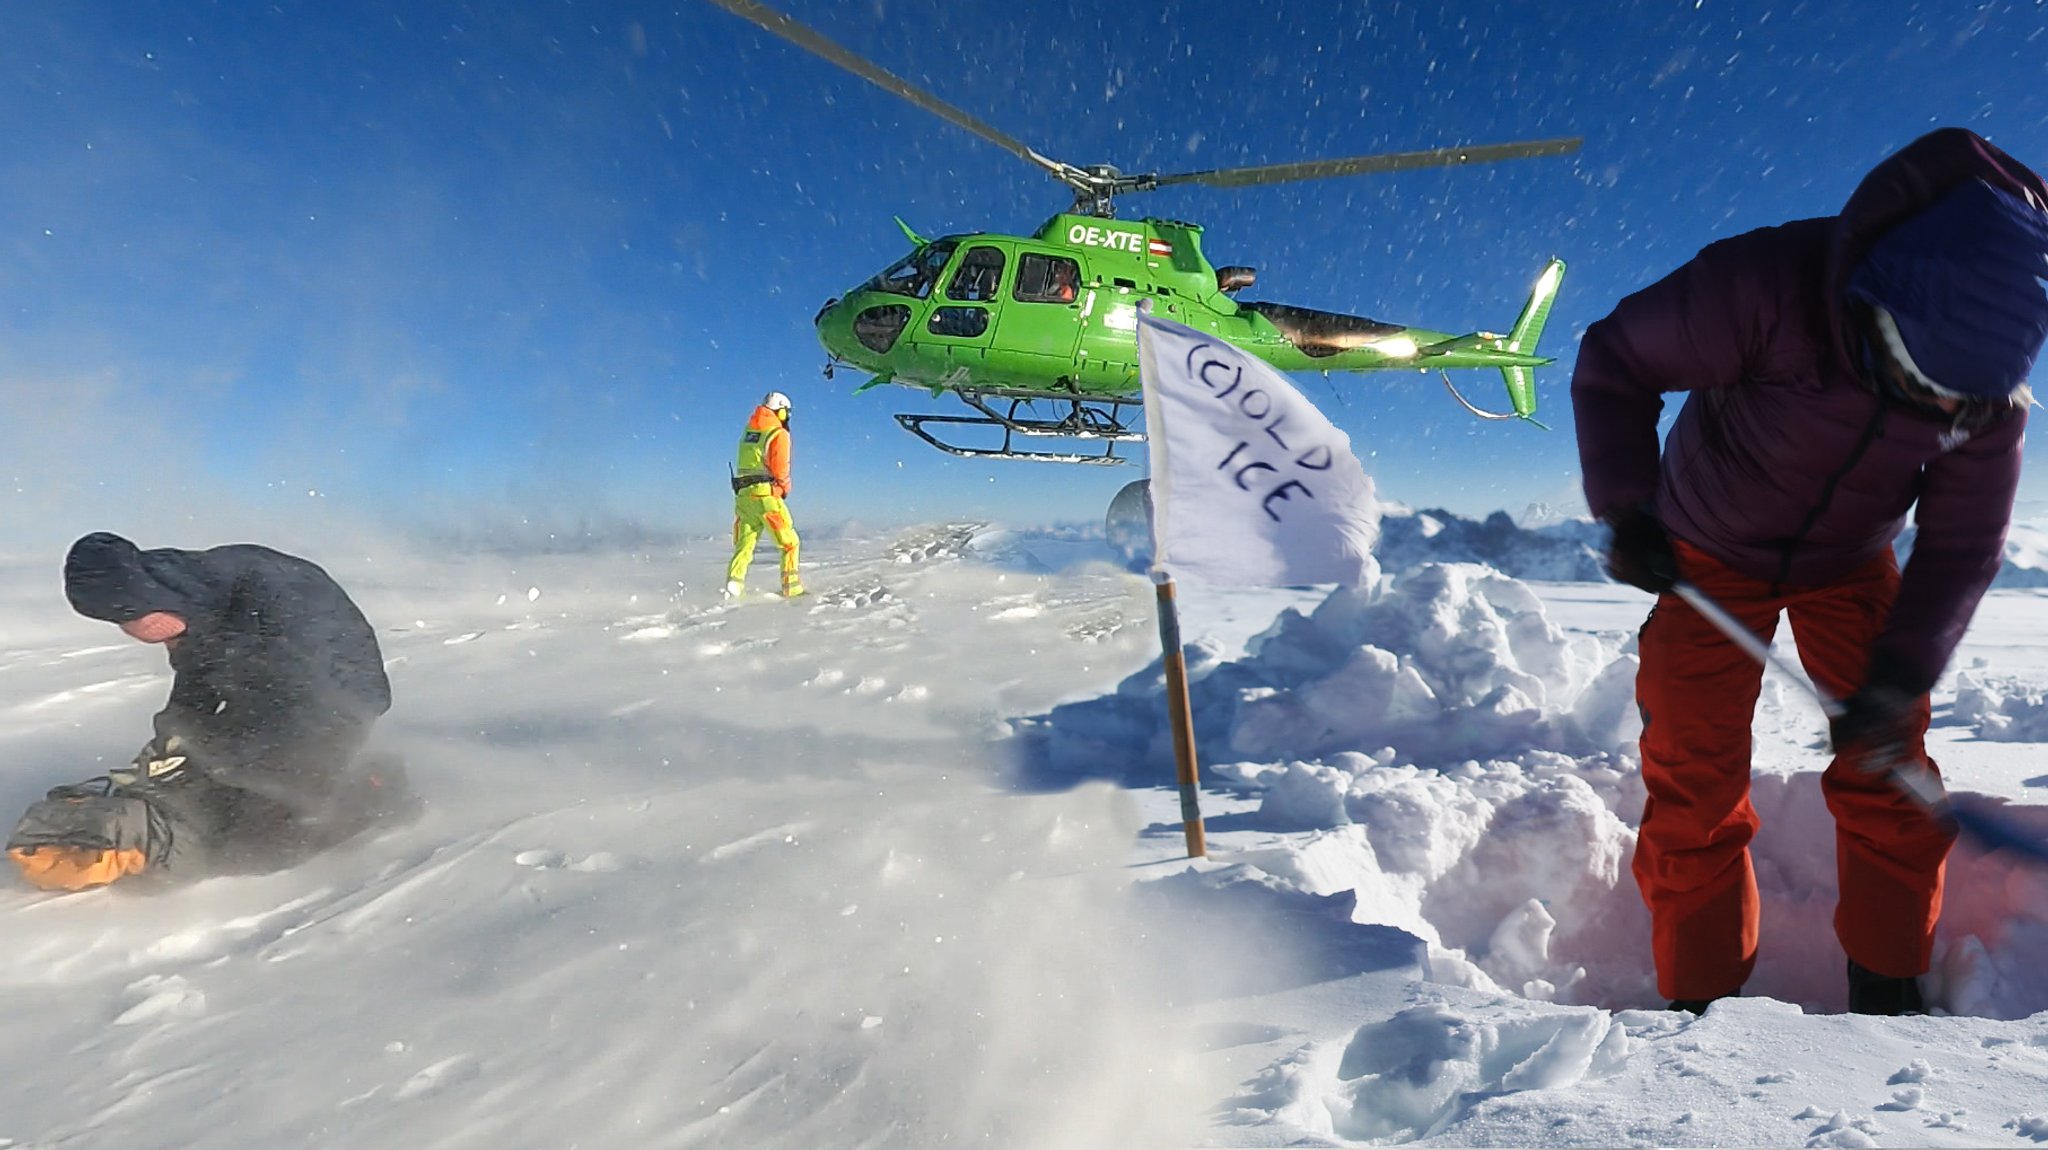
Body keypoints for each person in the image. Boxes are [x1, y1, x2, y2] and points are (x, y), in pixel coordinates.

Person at [1571, 127, 2048, 1016]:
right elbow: (1615, 362)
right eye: (1921, 380)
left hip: (1851, 562)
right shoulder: (1764, 287)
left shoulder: (1987, 398)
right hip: (1704, 552)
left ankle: (1888, 984)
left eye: (1961, 402)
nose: (1941, 410)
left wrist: (1900, 675)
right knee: (1693, 783)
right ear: (1877, 311)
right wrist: (1629, 505)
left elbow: (1960, 547)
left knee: (1888, 770)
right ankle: (1701, 1010)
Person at [6, 533, 408, 891]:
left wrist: (240, 765)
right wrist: (170, 742)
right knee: (200, 784)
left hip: (335, 706)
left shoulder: (278, 594)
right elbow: (195, 686)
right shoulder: (192, 600)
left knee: (260, 842)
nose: (128, 630)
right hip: (263, 700)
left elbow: (322, 695)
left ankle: (373, 789)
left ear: (150, 599)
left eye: (129, 618)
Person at [726, 391, 804, 599]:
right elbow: (780, 469)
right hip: (765, 497)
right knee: (789, 543)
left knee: (745, 543)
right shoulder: (778, 434)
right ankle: (792, 589)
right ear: (779, 412)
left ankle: (734, 583)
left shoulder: (749, 433)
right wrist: (784, 488)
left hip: (743, 496)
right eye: (786, 413)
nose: (787, 417)